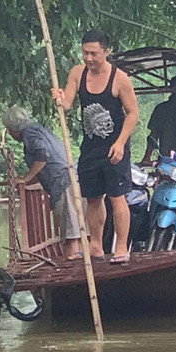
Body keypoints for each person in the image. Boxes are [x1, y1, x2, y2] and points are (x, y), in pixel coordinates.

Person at [52, 30, 140, 263]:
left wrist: (121, 143)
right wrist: (60, 98)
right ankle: (96, 246)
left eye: (93, 53)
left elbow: (133, 114)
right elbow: (68, 103)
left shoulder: (120, 79)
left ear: (106, 52)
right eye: (84, 53)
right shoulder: (77, 74)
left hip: (114, 147)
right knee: (92, 198)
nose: (88, 58)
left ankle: (121, 247)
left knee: (117, 197)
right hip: (90, 147)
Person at [2, 105, 83, 260]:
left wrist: (25, 179)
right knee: (77, 229)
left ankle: (72, 268)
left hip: (63, 181)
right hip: (74, 178)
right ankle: (78, 264)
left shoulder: (29, 133)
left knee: (70, 232)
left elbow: (42, 155)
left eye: (10, 131)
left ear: (14, 128)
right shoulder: (39, 129)